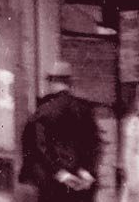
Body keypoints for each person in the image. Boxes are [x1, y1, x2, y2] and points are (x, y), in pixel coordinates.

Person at [20, 61, 102, 201]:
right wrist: (86, 170)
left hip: (51, 181)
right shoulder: (84, 108)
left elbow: (38, 147)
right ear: (69, 83)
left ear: (51, 82)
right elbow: (94, 143)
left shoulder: (43, 111)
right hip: (81, 180)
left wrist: (61, 173)